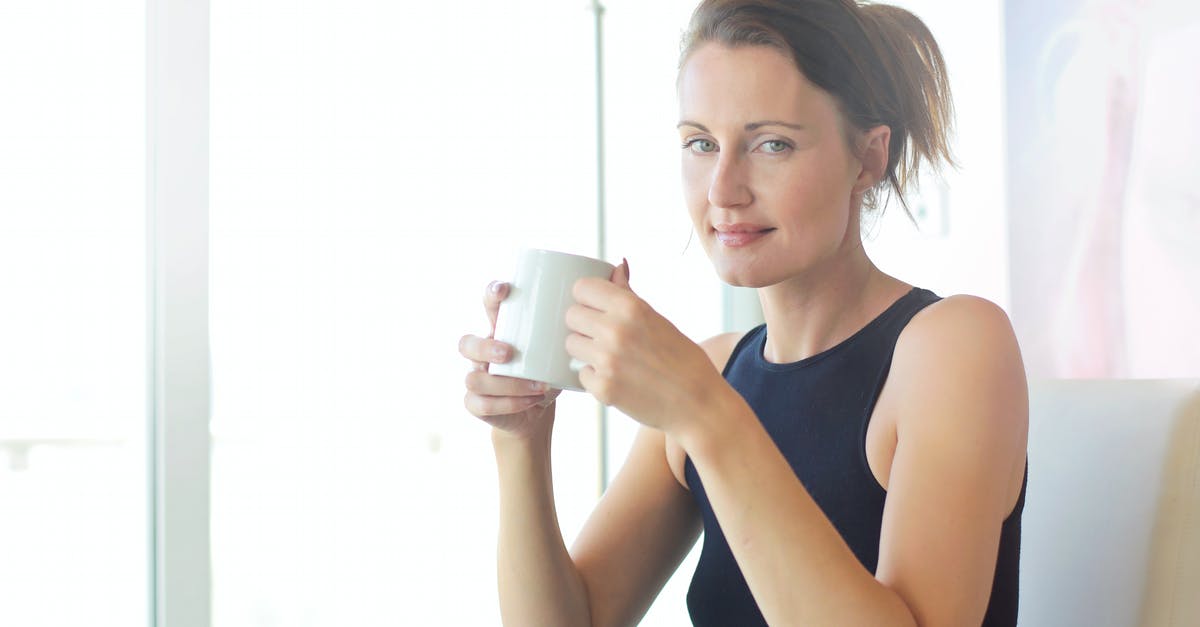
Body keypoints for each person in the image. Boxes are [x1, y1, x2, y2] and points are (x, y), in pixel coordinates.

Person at [458, 0, 1028, 624]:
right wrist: (521, 442)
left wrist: (703, 411)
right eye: (701, 143)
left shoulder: (953, 346)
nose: (722, 190)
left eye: (772, 144)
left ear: (867, 158)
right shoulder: (715, 371)